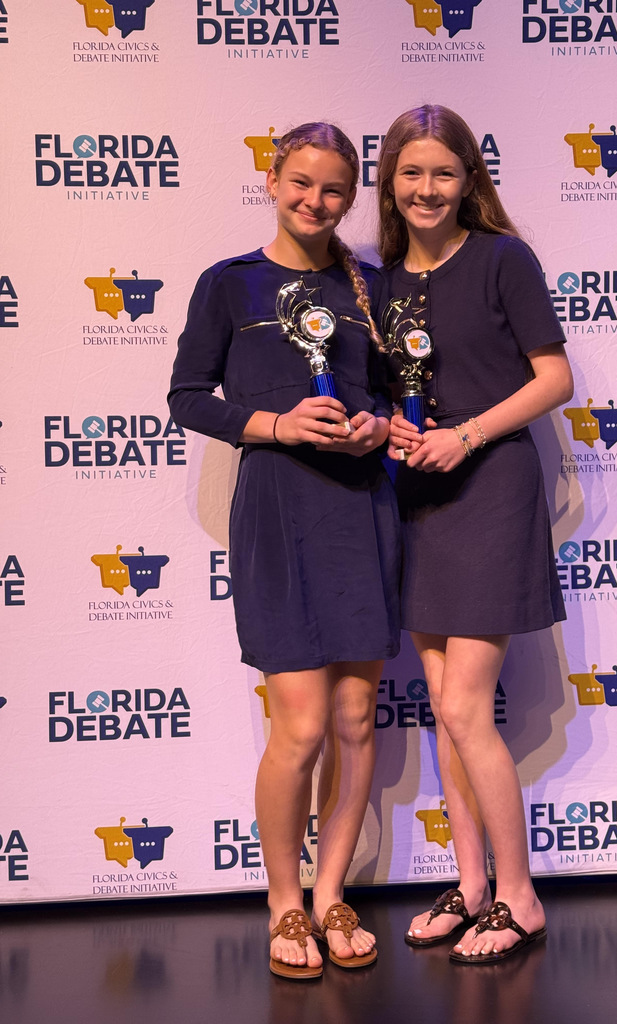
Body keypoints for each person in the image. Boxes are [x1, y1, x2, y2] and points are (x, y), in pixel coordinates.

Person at [169, 123, 400, 980]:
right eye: (301, 182)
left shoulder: (371, 287)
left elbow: (398, 396)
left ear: (351, 197)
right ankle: (284, 903)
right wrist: (275, 424)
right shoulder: (229, 283)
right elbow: (187, 396)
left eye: (334, 189)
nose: (315, 201)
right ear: (272, 180)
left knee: (354, 721)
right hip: (275, 512)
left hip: (360, 510)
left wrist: (377, 425)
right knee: (299, 727)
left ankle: (332, 891)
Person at [377, 105, 573, 964]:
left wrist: (467, 435)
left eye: (443, 173)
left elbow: (555, 378)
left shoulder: (502, 258)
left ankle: (520, 897)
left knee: (464, 705)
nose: (427, 189)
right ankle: (472, 886)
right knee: (443, 710)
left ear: (469, 181)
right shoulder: (383, 282)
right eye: (411, 172)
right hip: (420, 494)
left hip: (490, 485)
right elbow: (401, 390)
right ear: (390, 180)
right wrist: (398, 427)